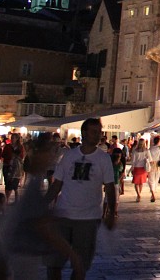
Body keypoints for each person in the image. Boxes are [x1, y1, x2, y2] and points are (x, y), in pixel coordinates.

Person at [3, 133, 86, 280]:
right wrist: (72, 256)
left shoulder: (35, 183)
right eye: (48, 152)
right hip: (23, 254)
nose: (51, 157)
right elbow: (44, 228)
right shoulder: (34, 187)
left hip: (23, 253)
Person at [46, 117, 118, 279]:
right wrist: (42, 204)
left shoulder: (103, 158)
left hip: (88, 218)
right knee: (54, 262)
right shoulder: (69, 156)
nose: (98, 135)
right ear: (84, 133)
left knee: (80, 264)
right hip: (63, 214)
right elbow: (57, 184)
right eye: (94, 132)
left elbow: (110, 187)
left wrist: (111, 213)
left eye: (99, 132)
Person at [130, 137, 154, 202]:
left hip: (136, 168)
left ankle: (138, 195)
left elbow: (133, 161)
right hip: (143, 168)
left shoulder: (135, 151)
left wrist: (132, 168)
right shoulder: (147, 151)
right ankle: (139, 195)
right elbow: (150, 159)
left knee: (136, 183)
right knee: (141, 183)